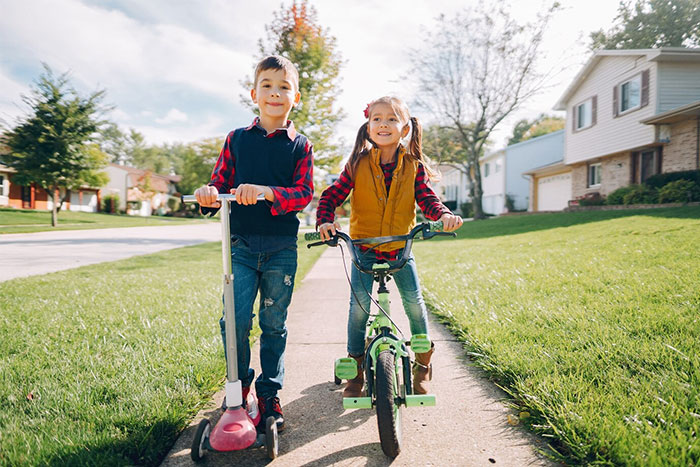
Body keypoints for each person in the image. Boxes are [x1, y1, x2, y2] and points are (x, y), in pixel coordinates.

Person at [194, 55, 314, 431]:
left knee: (273, 323)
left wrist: (265, 192)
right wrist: (208, 193)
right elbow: (219, 182)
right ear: (254, 93)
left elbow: (304, 192)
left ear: (295, 97)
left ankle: (269, 393)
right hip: (242, 247)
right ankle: (240, 383)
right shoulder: (237, 139)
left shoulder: (300, 146)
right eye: (267, 85)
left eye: (284, 87)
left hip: (280, 248)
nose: (275, 93)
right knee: (234, 320)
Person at [316, 96, 462, 397]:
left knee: (414, 304)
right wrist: (325, 222)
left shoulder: (413, 166)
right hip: (363, 249)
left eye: (392, 119)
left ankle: (422, 367)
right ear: (368, 127)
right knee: (358, 309)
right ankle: (355, 372)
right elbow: (331, 196)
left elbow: (428, 200)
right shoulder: (356, 164)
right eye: (377, 119)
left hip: (400, 249)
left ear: (404, 128)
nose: (384, 124)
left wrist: (444, 215)